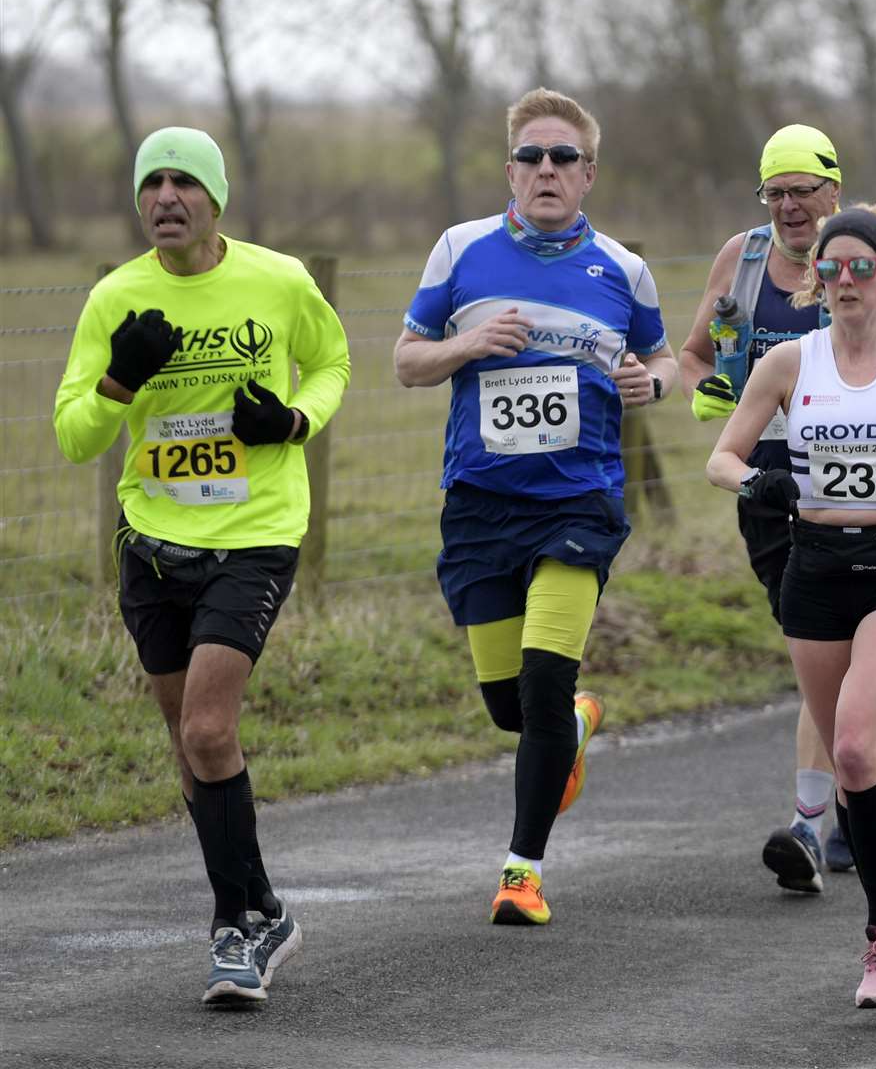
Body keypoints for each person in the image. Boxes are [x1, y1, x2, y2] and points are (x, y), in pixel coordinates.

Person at [53, 127, 350, 1005]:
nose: (166, 198)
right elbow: (74, 437)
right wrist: (117, 383)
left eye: (185, 182)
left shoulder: (279, 279)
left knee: (209, 733)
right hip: (152, 548)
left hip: (255, 534)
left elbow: (332, 363)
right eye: (152, 183)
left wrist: (291, 422)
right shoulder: (116, 296)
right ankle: (266, 903)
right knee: (191, 751)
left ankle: (235, 931)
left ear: (217, 198)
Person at [395, 88, 676, 927]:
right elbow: (407, 362)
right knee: (509, 708)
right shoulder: (460, 250)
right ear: (508, 170)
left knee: (547, 680)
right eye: (530, 157)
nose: (545, 170)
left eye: (562, 158)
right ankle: (576, 729)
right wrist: (466, 345)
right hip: (481, 505)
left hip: (577, 504)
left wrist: (649, 382)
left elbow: (665, 361)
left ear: (588, 174)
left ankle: (522, 872)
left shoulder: (622, 270)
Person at [708, 204, 876, 1007]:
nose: (843, 281)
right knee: (845, 765)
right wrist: (755, 482)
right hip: (816, 570)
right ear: (816, 282)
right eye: (829, 269)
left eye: (861, 267)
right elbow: (722, 457)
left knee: (859, 749)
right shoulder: (789, 365)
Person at [679, 124, 855, 894]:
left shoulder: (860, 259)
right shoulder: (742, 260)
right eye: (774, 192)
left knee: (828, 648)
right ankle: (847, 805)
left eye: (803, 190)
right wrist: (710, 391)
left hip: (856, 488)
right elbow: (693, 356)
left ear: (833, 191)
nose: (789, 207)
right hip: (765, 489)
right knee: (819, 648)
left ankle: (814, 827)